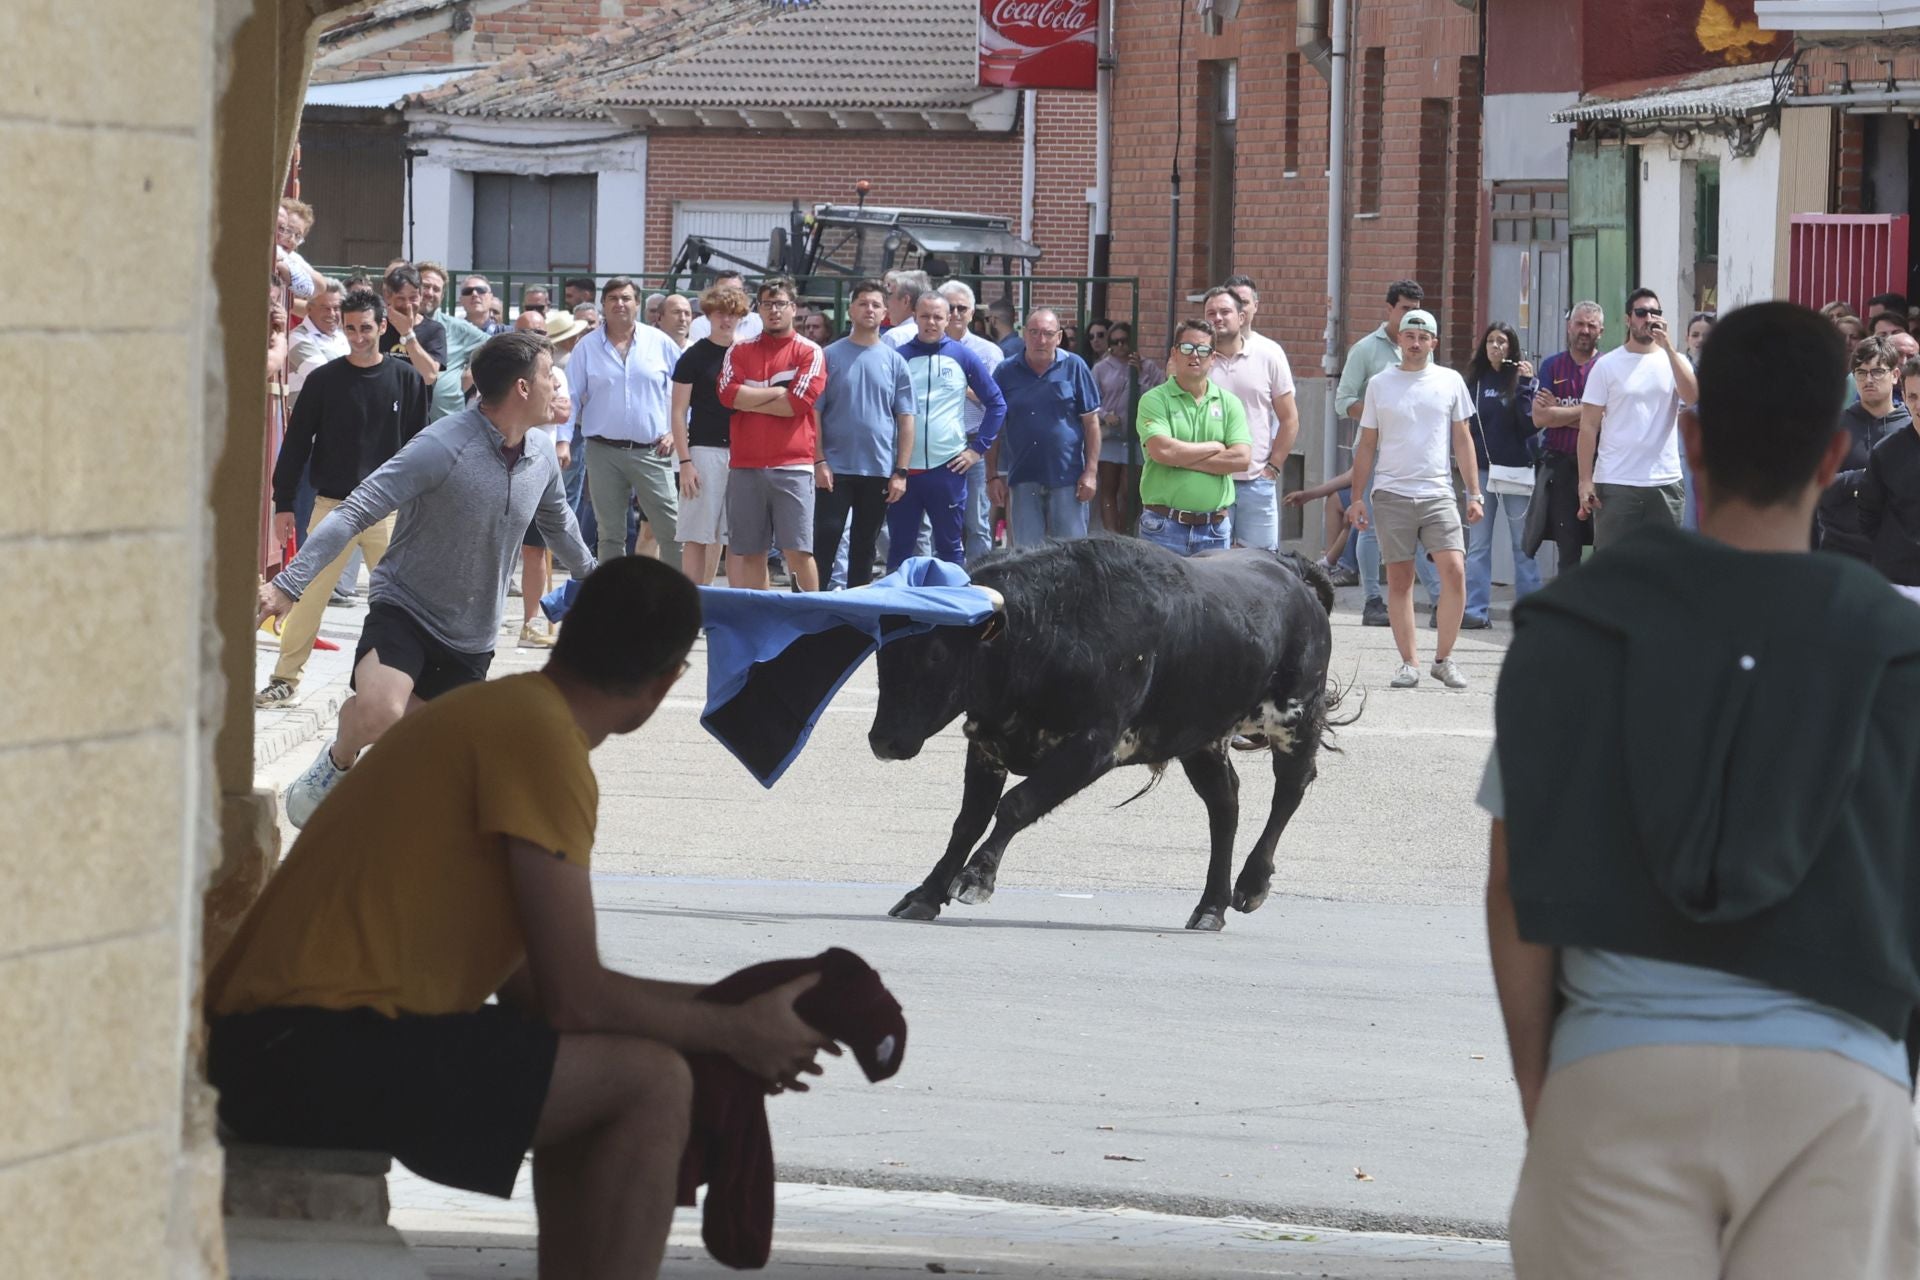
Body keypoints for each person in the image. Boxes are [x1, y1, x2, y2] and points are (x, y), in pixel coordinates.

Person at [213, 556, 837, 1280]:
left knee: (599, 1071)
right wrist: (735, 1029)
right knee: (651, 1082)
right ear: (667, 682)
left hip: (277, 1044)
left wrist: (736, 1015)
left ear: (567, 636)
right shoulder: (541, 741)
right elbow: (578, 997)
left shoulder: (502, 715)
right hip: (300, 1050)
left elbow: (540, 996)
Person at [1484, 301, 1920, 1278]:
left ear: (1691, 436)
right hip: (1840, 1075)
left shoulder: (1571, 625)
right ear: (1833, 457)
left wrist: (1546, 1089)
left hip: (1618, 1066)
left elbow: (1514, 886)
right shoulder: (1899, 645)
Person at [259, 331, 595, 826]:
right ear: (522, 388)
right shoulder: (442, 445)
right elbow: (354, 510)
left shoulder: (541, 454)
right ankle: (339, 757)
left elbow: (559, 523)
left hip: (473, 633)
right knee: (380, 711)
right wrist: (290, 584)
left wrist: (597, 579)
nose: (558, 387)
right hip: (406, 608)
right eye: (550, 376)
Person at [256, 288, 431, 708]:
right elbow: (296, 443)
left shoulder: (406, 379)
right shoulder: (323, 380)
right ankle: (284, 679)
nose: (357, 337)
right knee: (305, 594)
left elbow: (420, 450)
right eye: (350, 328)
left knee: (405, 601)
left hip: (388, 510)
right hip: (333, 507)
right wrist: (283, 503)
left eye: (365, 328)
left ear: (383, 327)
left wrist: (422, 508)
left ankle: (419, 685)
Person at [1346, 308, 1481, 690]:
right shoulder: (1380, 384)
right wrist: (1356, 498)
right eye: (1409, 336)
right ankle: (1409, 662)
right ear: (1399, 340)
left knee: (1454, 569)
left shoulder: (1450, 381)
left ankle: (1444, 659)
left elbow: (1462, 439)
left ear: (1434, 342)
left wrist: (1474, 493)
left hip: (1438, 491)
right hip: (1391, 493)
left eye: (1423, 338)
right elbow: (1367, 443)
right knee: (1400, 579)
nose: (1416, 343)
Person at [715, 275, 830, 591]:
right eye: (767, 304)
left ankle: (808, 614)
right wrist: (777, 394)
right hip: (745, 465)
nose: (774, 310)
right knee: (752, 553)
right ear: (758, 309)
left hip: (793, 466)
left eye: (780, 304)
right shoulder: (739, 350)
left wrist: (749, 399)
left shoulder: (810, 352)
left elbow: (797, 404)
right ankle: (760, 616)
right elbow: (727, 395)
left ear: (793, 307)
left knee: (798, 552)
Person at [1337, 280, 1441, 625]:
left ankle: (1439, 600)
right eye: (1405, 309)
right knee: (1368, 527)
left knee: (1418, 527)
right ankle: (1372, 601)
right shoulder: (1366, 349)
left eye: (1417, 310)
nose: (1412, 316)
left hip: (1414, 452)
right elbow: (1343, 400)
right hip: (1375, 450)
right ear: (1389, 309)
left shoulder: (1423, 347)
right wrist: (1376, 419)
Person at [570, 277, 686, 572]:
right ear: (603, 305)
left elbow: (686, 392)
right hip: (603, 451)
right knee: (609, 534)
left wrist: (677, 432)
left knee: (672, 530)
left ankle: (678, 595)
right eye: (613, 298)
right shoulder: (586, 347)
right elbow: (570, 397)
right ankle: (615, 597)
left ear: (637, 303)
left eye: (626, 298)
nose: (620, 304)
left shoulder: (661, 343)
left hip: (652, 451)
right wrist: (561, 441)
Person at [891, 291, 1006, 569]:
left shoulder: (962, 356)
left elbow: (997, 404)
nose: (931, 322)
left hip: (948, 468)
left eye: (937, 317)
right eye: (925, 316)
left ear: (947, 319)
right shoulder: (898, 357)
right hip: (905, 469)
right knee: (900, 547)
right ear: (915, 317)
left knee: (950, 546)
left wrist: (977, 450)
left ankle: (952, 596)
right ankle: (900, 598)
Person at [1577, 287, 1697, 548]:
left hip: (1664, 481)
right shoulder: (1607, 365)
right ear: (1628, 319)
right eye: (1641, 313)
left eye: (1655, 312)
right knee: (1614, 563)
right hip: (1617, 481)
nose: (1648, 318)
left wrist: (1668, 347)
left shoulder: (1675, 361)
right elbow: (1588, 426)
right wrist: (1585, 481)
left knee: (1663, 563)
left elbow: (1692, 397)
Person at [814, 279, 915, 588]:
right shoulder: (828, 356)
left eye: (875, 304)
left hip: (878, 469)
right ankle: (810, 605)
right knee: (824, 540)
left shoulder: (895, 361)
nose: (869, 309)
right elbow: (813, 413)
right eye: (862, 303)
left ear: (885, 312)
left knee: (864, 547)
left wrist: (901, 471)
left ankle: (857, 610)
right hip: (834, 469)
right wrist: (819, 460)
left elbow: (906, 419)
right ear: (851, 309)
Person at [1134, 319, 1249, 557]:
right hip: (1163, 527)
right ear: (1174, 354)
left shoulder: (1230, 403)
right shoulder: (1154, 400)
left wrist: (1179, 459)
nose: (1195, 355)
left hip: (1214, 530)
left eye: (1203, 349)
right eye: (1187, 348)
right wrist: (1215, 447)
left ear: (1213, 357)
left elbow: (1241, 459)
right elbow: (1162, 451)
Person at [988, 307, 1101, 547]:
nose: (1041, 340)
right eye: (1034, 332)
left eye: (1048, 334)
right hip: (1023, 477)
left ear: (1059, 337)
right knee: (1027, 555)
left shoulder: (1075, 367)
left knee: (1071, 553)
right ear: (1024, 334)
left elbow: (1091, 423)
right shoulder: (1005, 372)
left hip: (1068, 478)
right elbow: (993, 427)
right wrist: (992, 476)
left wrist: (1091, 472)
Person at [1202, 286, 1297, 552]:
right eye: (1211, 313)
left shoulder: (1269, 355)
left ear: (1241, 317)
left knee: (1261, 564)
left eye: (1225, 312)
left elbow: (1289, 418)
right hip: (1208, 481)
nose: (1217, 318)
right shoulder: (1196, 360)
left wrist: (1272, 468)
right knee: (1209, 563)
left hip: (1256, 482)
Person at [1463, 321, 1541, 627]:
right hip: (1482, 472)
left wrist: (1525, 385)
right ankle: (1475, 611)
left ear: (1512, 348)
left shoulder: (1520, 379)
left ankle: (1531, 612)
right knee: (1479, 545)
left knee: (1523, 544)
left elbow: (1529, 425)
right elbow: (1465, 427)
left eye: (1502, 342)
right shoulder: (1474, 382)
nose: (1496, 346)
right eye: (1491, 341)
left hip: (1516, 472)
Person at [671, 284, 748, 586]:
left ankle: (735, 601)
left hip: (744, 453)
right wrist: (685, 462)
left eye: (732, 314)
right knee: (696, 534)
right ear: (708, 315)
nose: (726, 320)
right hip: (704, 450)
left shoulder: (747, 353)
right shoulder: (694, 356)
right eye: (719, 314)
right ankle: (691, 600)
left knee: (738, 536)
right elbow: (678, 412)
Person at [511, 310, 576, 648]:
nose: (535, 338)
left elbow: (563, 412)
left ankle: (530, 623)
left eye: (540, 332)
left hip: (539, 466)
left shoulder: (556, 373)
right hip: (504, 464)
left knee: (535, 549)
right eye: (527, 332)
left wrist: (537, 409)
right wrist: (544, 408)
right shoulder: (504, 368)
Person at [1819, 336, 1910, 561]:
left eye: (1877, 371)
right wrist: (1863, 479)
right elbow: (1814, 487)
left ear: (1895, 375)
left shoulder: (1911, 428)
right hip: (1840, 550)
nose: (1868, 379)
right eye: (1861, 372)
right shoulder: (1833, 426)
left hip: (1898, 557)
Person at [1530, 302, 1603, 575]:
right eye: (1580, 324)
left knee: (1603, 543)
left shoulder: (1607, 367)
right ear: (1569, 327)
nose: (1585, 330)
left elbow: (1609, 419)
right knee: (1568, 547)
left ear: (1601, 330)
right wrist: (1589, 413)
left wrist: (1559, 412)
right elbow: (1540, 418)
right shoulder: (1552, 366)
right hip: (1559, 468)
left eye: (1591, 325)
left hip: (1600, 468)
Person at [936, 279, 1007, 561]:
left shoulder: (988, 352)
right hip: (934, 444)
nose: (955, 313)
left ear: (972, 312)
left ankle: (978, 578)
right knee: (937, 519)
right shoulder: (925, 347)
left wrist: (961, 387)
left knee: (977, 522)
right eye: (950, 307)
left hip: (973, 443)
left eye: (961, 308)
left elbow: (997, 400)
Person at [1859, 355, 1920, 604]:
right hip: (1898, 581)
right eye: (1913, 396)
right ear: (1903, 397)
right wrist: (1895, 547)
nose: (1918, 405)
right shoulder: (1886, 452)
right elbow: (1868, 515)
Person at [1092, 321, 1161, 535]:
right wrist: (1105, 414)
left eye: (1124, 341)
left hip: (1137, 437)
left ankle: (1126, 533)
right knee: (1108, 489)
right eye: (1115, 342)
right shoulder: (1101, 368)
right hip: (1111, 436)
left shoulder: (1148, 366)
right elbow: (1091, 400)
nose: (1120, 346)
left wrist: (1140, 376)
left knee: (1131, 492)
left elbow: (1158, 397)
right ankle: (1112, 534)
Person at [380, 264, 447, 394]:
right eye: (400, 298)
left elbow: (429, 377)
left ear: (421, 296)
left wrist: (408, 334)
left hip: (415, 405)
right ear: (388, 297)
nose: (407, 305)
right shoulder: (379, 326)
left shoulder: (434, 330)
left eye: (413, 298)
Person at [688, 271, 763, 344]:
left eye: (736, 291)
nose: (730, 296)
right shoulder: (699, 324)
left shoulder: (759, 322)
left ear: (744, 293)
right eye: (724, 291)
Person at [882, 269, 933, 345]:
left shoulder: (894, 337)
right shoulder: (935, 334)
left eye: (890, 295)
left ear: (905, 301)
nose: (886, 301)